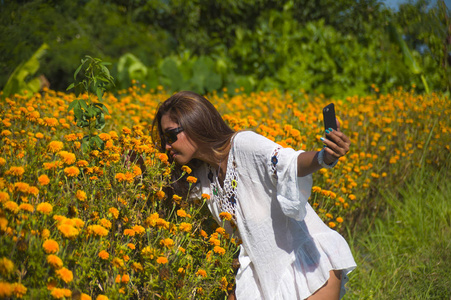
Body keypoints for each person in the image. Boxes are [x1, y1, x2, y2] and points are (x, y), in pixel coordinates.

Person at [152, 91, 357, 300]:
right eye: (164, 139)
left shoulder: (243, 144)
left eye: (171, 135)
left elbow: (287, 162)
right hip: (262, 278)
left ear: (194, 123)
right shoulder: (204, 175)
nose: (167, 146)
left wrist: (324, 157)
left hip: (307, 269)